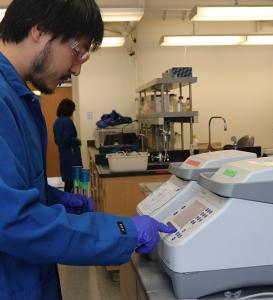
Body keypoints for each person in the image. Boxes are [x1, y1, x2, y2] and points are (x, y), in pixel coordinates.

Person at [0, 1, 176, 299]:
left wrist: (52, 199)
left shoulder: (18, 97)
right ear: (39, 31)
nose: (77, 68)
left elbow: (12, 190)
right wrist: (123, 231)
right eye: (77, 50)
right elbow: (14, 221)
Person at [53, 98, 82, 192]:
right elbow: (68, 139)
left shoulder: (57, 122)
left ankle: (68, 204)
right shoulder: (67, 122)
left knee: (68, 184)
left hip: (64, 156)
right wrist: (77, 141)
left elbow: (57, 141)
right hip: (72, 157)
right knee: (75, 184)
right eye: (72, 110)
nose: (73, 112)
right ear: (68, 110)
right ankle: (75, 204)